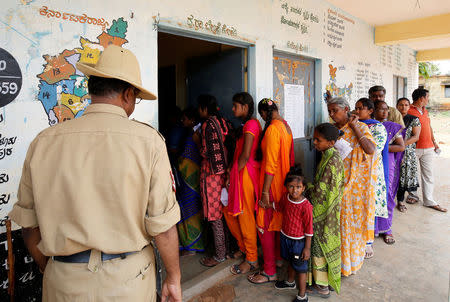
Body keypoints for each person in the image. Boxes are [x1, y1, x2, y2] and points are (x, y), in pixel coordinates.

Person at [8, 45, 182, 302]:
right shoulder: (149, 141)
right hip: (130, 283)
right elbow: (163, 228)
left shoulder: (44, 141)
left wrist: (54, 267)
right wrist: (173, 278)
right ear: (127, 94)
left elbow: (29, 226)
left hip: (63, 283)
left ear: (92, 90)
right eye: (136, 98)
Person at [326, 97, 376, 277]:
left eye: (334, 111)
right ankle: (337, 264)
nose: (331, 114)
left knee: (350, 226)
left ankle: (349, 264)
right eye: (329, 111)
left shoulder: (360, 127)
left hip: (354, 188)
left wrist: (355, 127)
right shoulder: (333, 130)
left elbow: (370, 149)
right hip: (336, 184)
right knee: (338, 227)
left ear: (346, 109)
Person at [247, 98, 294, 284]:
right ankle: (277, 260)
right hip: (283, 184)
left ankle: (269, 271)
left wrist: (265, 192)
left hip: (272, 185)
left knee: (265, 227)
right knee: (276, 225)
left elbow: (270, 164)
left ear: (264, 113)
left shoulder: (273, 129)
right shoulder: (286, 126)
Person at [224, 92, 261, 275]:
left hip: (245, 173)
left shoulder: (252, 124)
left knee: (245, 216)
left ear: (245, 107)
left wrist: (232, 175)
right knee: (230, 212)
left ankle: (252, 258)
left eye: (235, 106)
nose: (232, 109)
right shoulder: (246, 125)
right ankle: (244, 247)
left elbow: (245, 155)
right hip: (240, 171)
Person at [306, 123, 345, 297]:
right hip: (330, 210)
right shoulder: (330, 155)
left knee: (318, 247)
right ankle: (324, 282)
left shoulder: (331, 160)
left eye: (318, 140)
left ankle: (321, 286)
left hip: (323, 213)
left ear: (330, 142)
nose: (314, 142)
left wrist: (306, 187)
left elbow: (321, 191)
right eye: (314, 139)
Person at [198, 94, 231, 267]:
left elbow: (205, 151)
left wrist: (196, 141)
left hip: (211, 174)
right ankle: (226, 250)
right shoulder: (223, 122)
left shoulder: (206, 125)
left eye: (200, 108)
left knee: (214, 215)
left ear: (204, 108)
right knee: (222, 214)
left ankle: (219, 255)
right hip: (223, 174)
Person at [354, 98, 388, 258]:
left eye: (360, 108)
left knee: (369, 205)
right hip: (356, 171)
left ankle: (368, 243)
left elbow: (372, 150)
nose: (357, 111)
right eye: (356, 108)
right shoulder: (354, 125)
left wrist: (356, 128)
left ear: (370, 111)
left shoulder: (378, 128)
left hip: (371, 173)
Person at [274, 166, 313, 302]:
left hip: (299, 242)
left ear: (303, 188)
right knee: (290, 261)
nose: (294, 190)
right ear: (286, 187)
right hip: (285, 237)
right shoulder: (286, 198)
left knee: (301, 269)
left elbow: (309, 229)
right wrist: (268, 205)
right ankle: (290, 282)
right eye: (291, 186)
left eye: (298, 187)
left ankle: (302, 296)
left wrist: (307, 248)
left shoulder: (306, 206)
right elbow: (279, 207)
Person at [407, 88, 447, 212]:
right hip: (413, 148)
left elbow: (428, 127)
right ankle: (412, 195)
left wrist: (434, 142)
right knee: (411, 174)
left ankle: (429, 200)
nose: (428, 99)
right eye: (427, 97)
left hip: (428, 147)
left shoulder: (425, 111)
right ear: (421, 98)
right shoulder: (408, 111)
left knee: (428, 175)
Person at [373, 100, 405, 245]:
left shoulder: (392, 127)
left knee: (388, 195)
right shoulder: (367, 125)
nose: (385, 112)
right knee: (373, 196)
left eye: (386, 109)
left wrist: (381, 147)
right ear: (373, 111)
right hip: (372, 164)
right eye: (381, 109)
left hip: (387, 163)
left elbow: (401, 146)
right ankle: (372, 229)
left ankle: (387, 229)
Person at [176, 107, 206, 255]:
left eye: (185, 118)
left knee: (190, 212)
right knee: (187, 212)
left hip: (190, 182)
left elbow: (192, 158)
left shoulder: (195, 136)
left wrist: (179, 163)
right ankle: (189, 244)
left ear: (192, 119)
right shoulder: (191, 134)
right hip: (189, 181)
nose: (182, 121)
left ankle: (193, 246)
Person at [396, 98, 421, 210]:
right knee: (394, 176)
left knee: (404, 177)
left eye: (406, 105)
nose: (403, 107)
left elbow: (416, 137)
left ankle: (400, 201)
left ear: (409, 106)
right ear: (397, 106)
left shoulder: (414, 119)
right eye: (401, 105)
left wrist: (401, 145)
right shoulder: (393, 118)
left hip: (407, 153)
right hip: (394, 151)